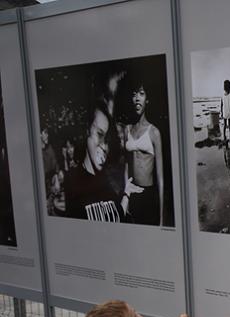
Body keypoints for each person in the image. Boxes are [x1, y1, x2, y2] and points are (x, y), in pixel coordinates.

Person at [63, 101, 134, 222]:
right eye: (99, 134)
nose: (104, 147)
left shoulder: (110, 180)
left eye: (107, 140)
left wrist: (127, 193)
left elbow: (118, 217)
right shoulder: (72, 181)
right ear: (87, 131)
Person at [124, 78, 165, 225]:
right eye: (134, 94)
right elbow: (126, 167)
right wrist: (126, 196)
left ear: (147, 100)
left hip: (148, 195)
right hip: (131, 194)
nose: (137, 98)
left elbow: (160, 177)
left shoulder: (154, 132)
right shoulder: (127, 129)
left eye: (141, 94)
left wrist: (161, 218)